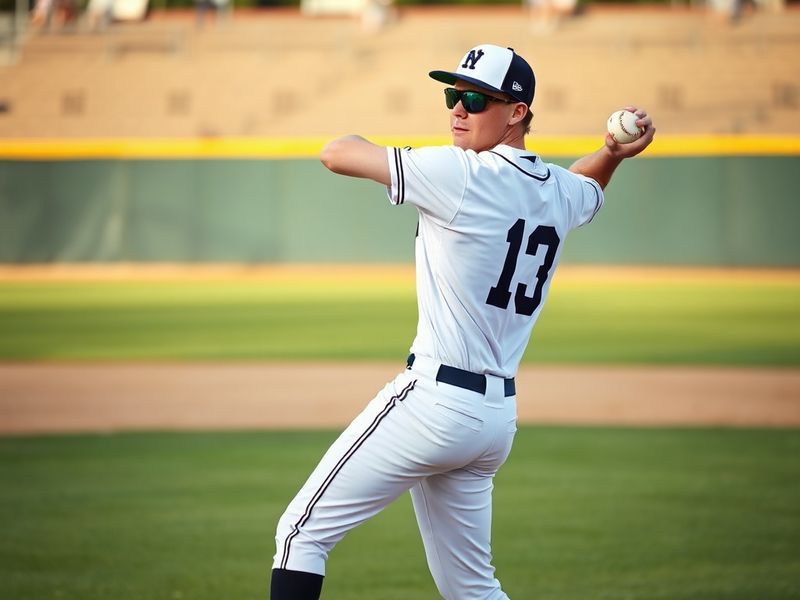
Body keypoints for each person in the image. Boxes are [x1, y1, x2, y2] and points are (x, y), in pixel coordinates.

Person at [270, 43, 655, 600]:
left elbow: (336, 152)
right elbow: (588, 186)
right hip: (494, 420)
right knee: (471, 587)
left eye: (475, 99)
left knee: (300, 536)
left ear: (517, 112)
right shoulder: (558, 191)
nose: (457, 109)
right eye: (453, 95)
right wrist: (613, 152)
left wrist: (390, 149)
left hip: (434, 403)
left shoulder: (459, 173)